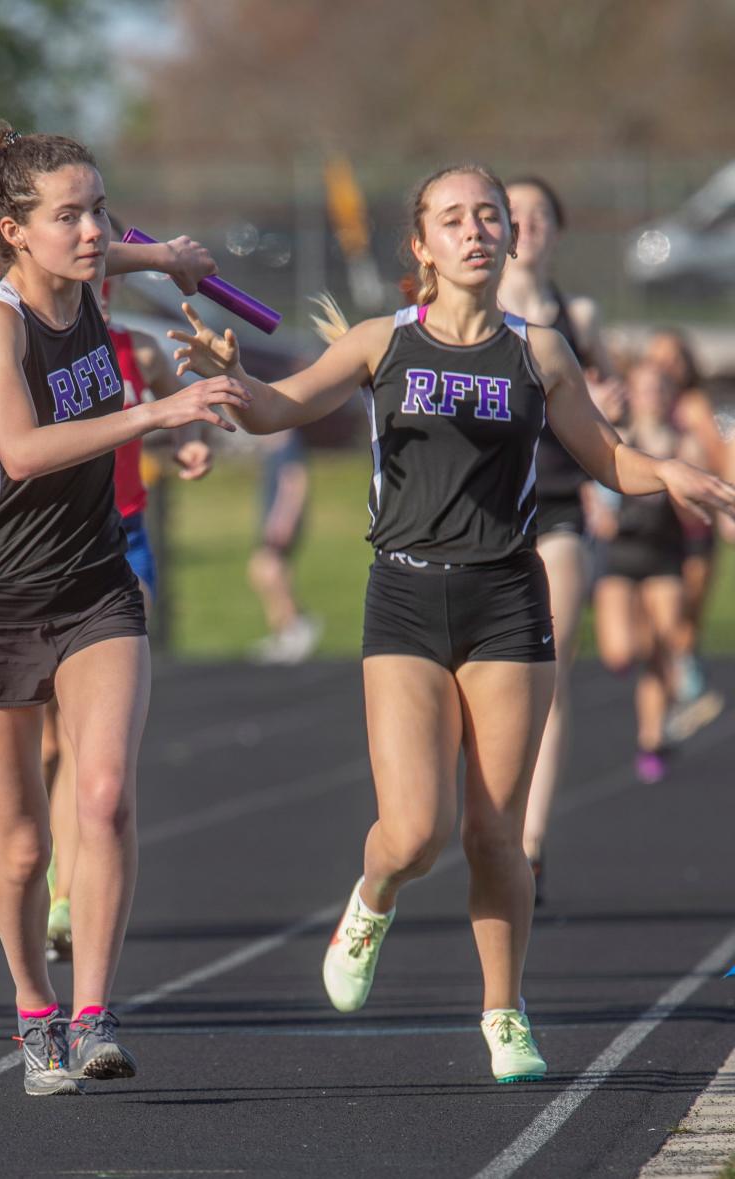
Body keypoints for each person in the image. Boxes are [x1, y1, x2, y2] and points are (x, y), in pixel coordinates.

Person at [168, 163, 735, 1083]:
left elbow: (607, 458)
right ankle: (374, 893)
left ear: (509, 238)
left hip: (508, 598)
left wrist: (670, 475)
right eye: (454, 219)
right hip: (404, 596)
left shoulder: (539, 351)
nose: (476, 230)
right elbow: (279, 410)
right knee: (413, 830)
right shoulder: (379, 344)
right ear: (422, 245)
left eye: (490, 217)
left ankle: (504, 1011)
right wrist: (236, 381)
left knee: (493, 831)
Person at [0, 122, 250, 1096]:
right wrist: (154, 415)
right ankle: (34, 1013)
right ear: (15, 231)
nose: (95, 230)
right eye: (70, 215)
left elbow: (126, 253)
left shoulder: (90, 280)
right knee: (20, 841)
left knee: (102, 796)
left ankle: (95, 1010)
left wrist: (176, 258)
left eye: (101, 209)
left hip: (96, 584)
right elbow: (20, 453)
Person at [44, 217, 214, 960]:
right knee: (52, 740)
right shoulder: (35, 337)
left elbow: (183, 414)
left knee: (92, 743)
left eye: (109, 272)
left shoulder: (135, 347)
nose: (100, 281)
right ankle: (57, 878)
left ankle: (66, 895)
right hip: (50, 551)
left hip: (127, 540)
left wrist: (191, 441)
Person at [498, 177, 616, 904]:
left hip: (560, 504)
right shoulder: (474, 315)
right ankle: (494, 818)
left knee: (549, 665)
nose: (527, 226)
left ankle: (530, 842)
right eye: (514, 216)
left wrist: (610, 413)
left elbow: (603, 408)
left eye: (540, 215)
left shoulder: (579, 315)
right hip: (485, 509)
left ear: (557, 231)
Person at [588, 361, 706, 783]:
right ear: (632, 394)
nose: (652, 397)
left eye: (659, 389)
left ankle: (652, 737)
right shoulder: (616, 439)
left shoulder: (683, 445)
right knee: (621, 652)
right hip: (620, 557)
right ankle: (667, 669)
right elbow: (593, 484)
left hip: (663, 557)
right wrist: (596, 510)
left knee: (664, 639)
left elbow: (701, 502)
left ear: (669, 396)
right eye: (644, 389)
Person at [644, 329, 726, 739]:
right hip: (659, 527)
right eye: (657, 359)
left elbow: (717, 453)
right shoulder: (646, 398)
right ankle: (681, 687)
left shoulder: (692, 405)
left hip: (694, 522)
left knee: (686, 608)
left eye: (672, 359)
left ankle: (686, 687)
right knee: (667, 612)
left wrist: (724, 507)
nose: (665, 368)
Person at [247, 429, 322, 664]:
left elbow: (295, 482)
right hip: (275, 519)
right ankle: (285, 631)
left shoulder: (289, 444)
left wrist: (284, 520)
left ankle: (295, 627)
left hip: (282, 522)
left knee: (268, 570)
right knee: (266, 571)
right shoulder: (274, 446)